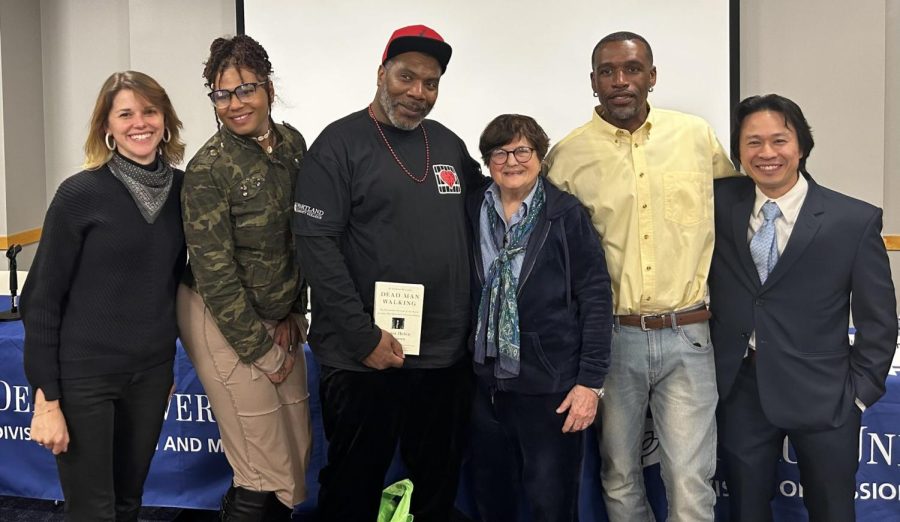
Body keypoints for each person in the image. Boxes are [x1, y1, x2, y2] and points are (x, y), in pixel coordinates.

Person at [292, 24, 485, 522]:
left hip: (443, 356)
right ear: (382, 73)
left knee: (437, 484)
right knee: (355, 483)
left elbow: (493, 204)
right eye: (406, 77)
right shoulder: (337, 146)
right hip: (365, 357)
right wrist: (361, 337)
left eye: (431, 83)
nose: (418, 93)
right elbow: (317, 247)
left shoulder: (447, 145)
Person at [545, 31, 737, 521]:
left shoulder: (696, 137)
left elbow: (737, 215)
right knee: (620, 475)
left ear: (652, 76)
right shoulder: (567, 157)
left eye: (632, 69)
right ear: (593, 82)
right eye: (607, 72)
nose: (620, 81)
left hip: (689, 334)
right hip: (611, 338)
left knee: (691, 481)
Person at [710, 94, 897, 522]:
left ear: (802, 146)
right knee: (745, 511)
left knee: (832, 511)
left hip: (826, 395)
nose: (767, 153)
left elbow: (879, 319)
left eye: (779, 140)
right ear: (739, 152)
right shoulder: (719, 204)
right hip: (740, 390)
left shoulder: (852, 220)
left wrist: (860, 394)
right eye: (753, 142)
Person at [22, 70, 186, 521]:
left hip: (150, 377)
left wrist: (163, 364)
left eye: (149, 111)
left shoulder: (184, 193)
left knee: (129, 503)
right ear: (107, 127)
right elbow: (41, 300)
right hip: (83, 381)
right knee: (93, 510)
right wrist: (47, 400)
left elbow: (174, 285)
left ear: (165, 119)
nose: (140, 123)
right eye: (126, 113)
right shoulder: (80, 194)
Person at [178, 35, 310, 520]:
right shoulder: (208, 170)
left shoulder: (293, 144)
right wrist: (260, 349)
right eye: (221, 94)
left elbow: (303, 236)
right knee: (262, 464)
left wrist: (293, 309)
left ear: (268, 89)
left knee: (296, 449)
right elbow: (215, 273)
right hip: (222, 317)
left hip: (278, 313)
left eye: (245, 89)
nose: (234, 104)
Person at [466, 114, 612, 521]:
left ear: (540, 157)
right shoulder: (472, 208)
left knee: (552, 506)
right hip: (485, 387)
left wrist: (590, 383)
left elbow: (596, 298)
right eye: (499, 152)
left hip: (551, 388)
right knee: (491, 503)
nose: (511, 161)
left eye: (522, 151)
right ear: (487, 161)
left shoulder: (565, 215)